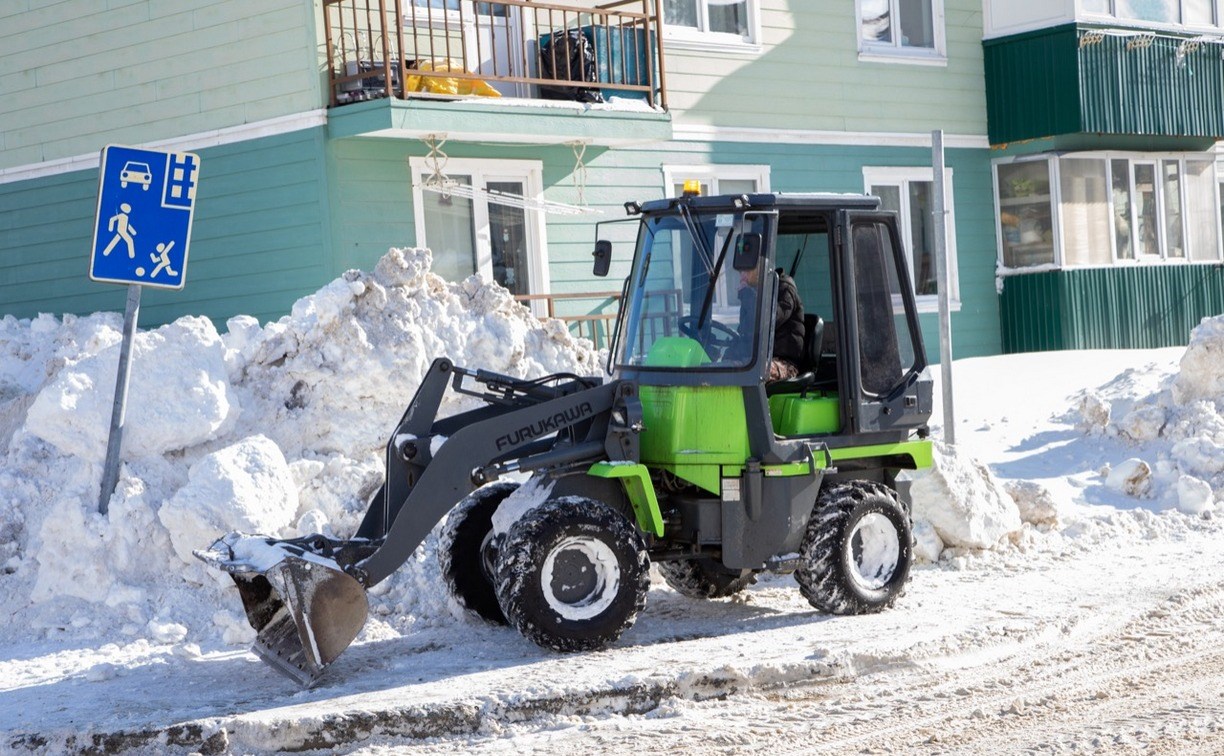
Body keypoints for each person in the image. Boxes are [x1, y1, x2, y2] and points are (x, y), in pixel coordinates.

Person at [737, 264, 805, 381]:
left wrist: (747, 296)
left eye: (746, 271)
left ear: (759, 268)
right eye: (740, 272)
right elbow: (745, 330)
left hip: (784, 364)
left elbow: (769, 321)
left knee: (754, 370)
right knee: (723, 369)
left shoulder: (785, 289)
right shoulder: (753, 294)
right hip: (756, 360)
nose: (742, 277)